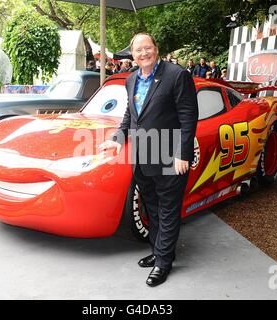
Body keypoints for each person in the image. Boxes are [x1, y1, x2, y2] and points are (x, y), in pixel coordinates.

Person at [99, 33, 198, 287]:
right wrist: (117, 138)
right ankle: (159, 251)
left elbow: (188, 118)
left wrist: (183, 154)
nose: (143, 53)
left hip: (169, 157)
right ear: (132, 54)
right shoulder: (131, 80)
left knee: (167, 209)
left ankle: (163, 263)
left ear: (156, 48)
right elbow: (130, 115)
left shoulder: (177, 75)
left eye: (147, 48)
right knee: (152, 207)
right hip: (142, 158)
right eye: (138, 50)